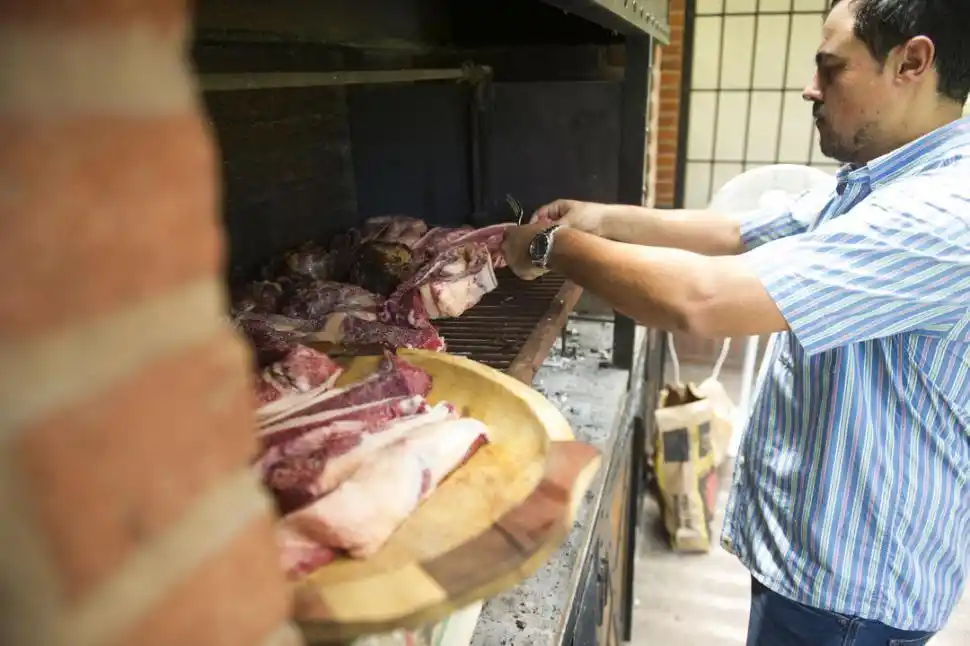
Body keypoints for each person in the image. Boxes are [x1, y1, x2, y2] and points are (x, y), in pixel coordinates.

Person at [502, 1, 970, 644]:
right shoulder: (879, 181)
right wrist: (599, 217)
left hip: (852, 598)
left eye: (830, 68)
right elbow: (736, 231)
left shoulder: (940, 213)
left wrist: (551, 248)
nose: (810, 88)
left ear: (911, 62)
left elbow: (701, 300)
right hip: (822, 568)